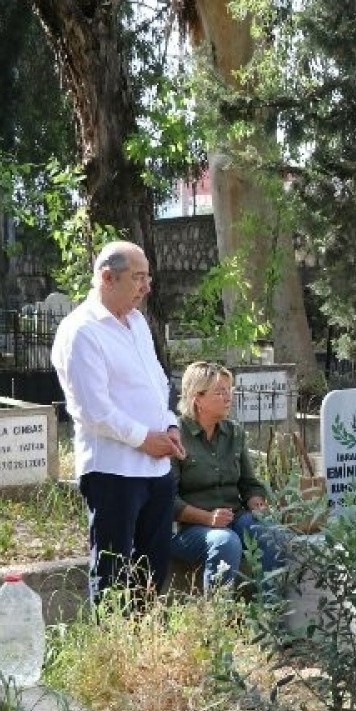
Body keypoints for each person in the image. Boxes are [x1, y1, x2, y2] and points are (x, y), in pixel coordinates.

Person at [51, 241, 185, 605]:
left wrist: (170, 425)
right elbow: (92, 410)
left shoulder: (138, 322)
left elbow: (156, 383)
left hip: (155, 469)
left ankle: (146, 647)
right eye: (138, 278)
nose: (147, 287)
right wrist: (145, 439)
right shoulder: (81, 330)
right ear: (107, 278)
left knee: (153, 569)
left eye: (147, 277)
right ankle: (114, 651)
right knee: (112, 571)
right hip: (113, 472)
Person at [170, 361, 283, 595]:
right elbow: (167, 500)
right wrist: (208, 518)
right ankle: (218, 620)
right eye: (219, 392)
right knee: (226, 541)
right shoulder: (176, 434)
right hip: (191, 529)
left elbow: (249, 484)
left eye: (228, 390)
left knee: (271, 533)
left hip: (235, 517)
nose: (228, 397)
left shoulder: (234, 432)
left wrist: (256, 501)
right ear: (197, 398)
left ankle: (271, 616)